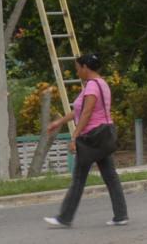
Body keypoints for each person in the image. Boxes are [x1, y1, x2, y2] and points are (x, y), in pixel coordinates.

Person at [43, 52, 128, 228]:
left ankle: (64, 217)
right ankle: (121, 215)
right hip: (104, 135)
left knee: (79, 178)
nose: (77, 73)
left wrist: (74, 136)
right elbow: (78, 111)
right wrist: (59, 122)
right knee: (110, 176)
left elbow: (87, 113)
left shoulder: (91, 86)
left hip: (92, 137)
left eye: (78, 69)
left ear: (85, 68)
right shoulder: (102, 84)